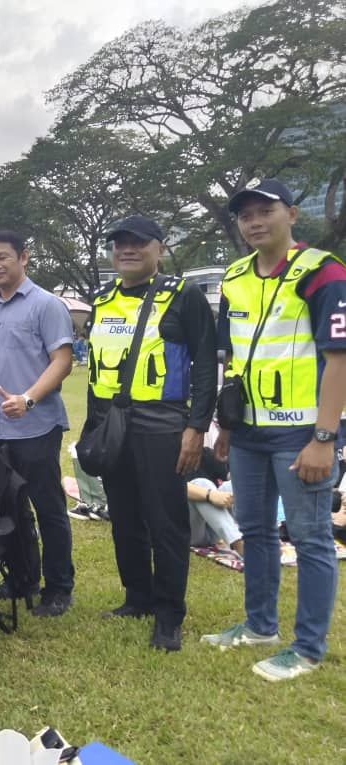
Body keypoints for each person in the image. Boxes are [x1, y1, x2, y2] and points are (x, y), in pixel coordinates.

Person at [202, 178, 346, 681]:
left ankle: (307, 649)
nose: (255, 221)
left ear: (292, 214)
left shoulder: (323, 273)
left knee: (310, 538)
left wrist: (324, 439)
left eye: (266, 210)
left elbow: (339, 360)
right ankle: (260, 626)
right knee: (256, 529)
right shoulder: (235, 277)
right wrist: (226, 426)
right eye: (245, 215)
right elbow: (234, 358)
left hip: (302, 433)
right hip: (248, 431)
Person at [86, 215, 217, 652]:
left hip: (162, 422)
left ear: (159, 248)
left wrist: (196, 427)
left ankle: (169, 614)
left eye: (139, 242)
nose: (128, 249)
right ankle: (137, 597)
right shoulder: (102, 299)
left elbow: (205, 364)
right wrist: (92, 426)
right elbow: (96, 371)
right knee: (123, 517)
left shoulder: (183, 295)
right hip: (112, 421)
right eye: (120, 243)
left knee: (166, 521)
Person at [0, 229, 75, 617]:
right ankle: (22, 577)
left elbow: (62, 360)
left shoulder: (46, 305)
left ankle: (58, 586)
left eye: (2, 258)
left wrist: (28, 399)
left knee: (48, 507)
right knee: (6, 509)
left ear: (23, 257)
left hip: (35, 426)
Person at [186, 447, 242, 555]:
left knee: (233, 485)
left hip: (214, 531)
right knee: (202, 484)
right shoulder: (165, 455)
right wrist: (210, 495)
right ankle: (238, 542)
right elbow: (174, 487)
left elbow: (231, 476)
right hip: (188, 530)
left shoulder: (205, 454)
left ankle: (259, 535)